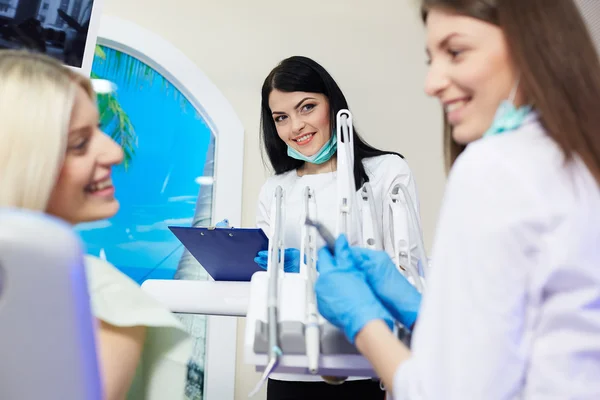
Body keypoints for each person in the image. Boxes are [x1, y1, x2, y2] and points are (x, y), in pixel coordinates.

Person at [314, 0, 600, 399]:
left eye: (456, 52)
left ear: (531, 43)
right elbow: (539, 329)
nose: (431, 82)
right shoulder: (578, 156)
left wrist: (361, 321)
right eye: (432, 58)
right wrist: (423, 311)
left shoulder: (495, 168)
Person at [0, 50, 192, 400]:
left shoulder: (108, 303)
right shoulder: (102, 299)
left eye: (99, 130)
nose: (114, 153)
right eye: (79, 143)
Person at [255, 55, 423, 399]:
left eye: (307, 107)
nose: (296, 126)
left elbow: (405, 272)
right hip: (290, 366)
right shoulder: (276, 189)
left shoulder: (387, 172)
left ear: (333, 104)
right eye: (281, 118)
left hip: (368, 362)